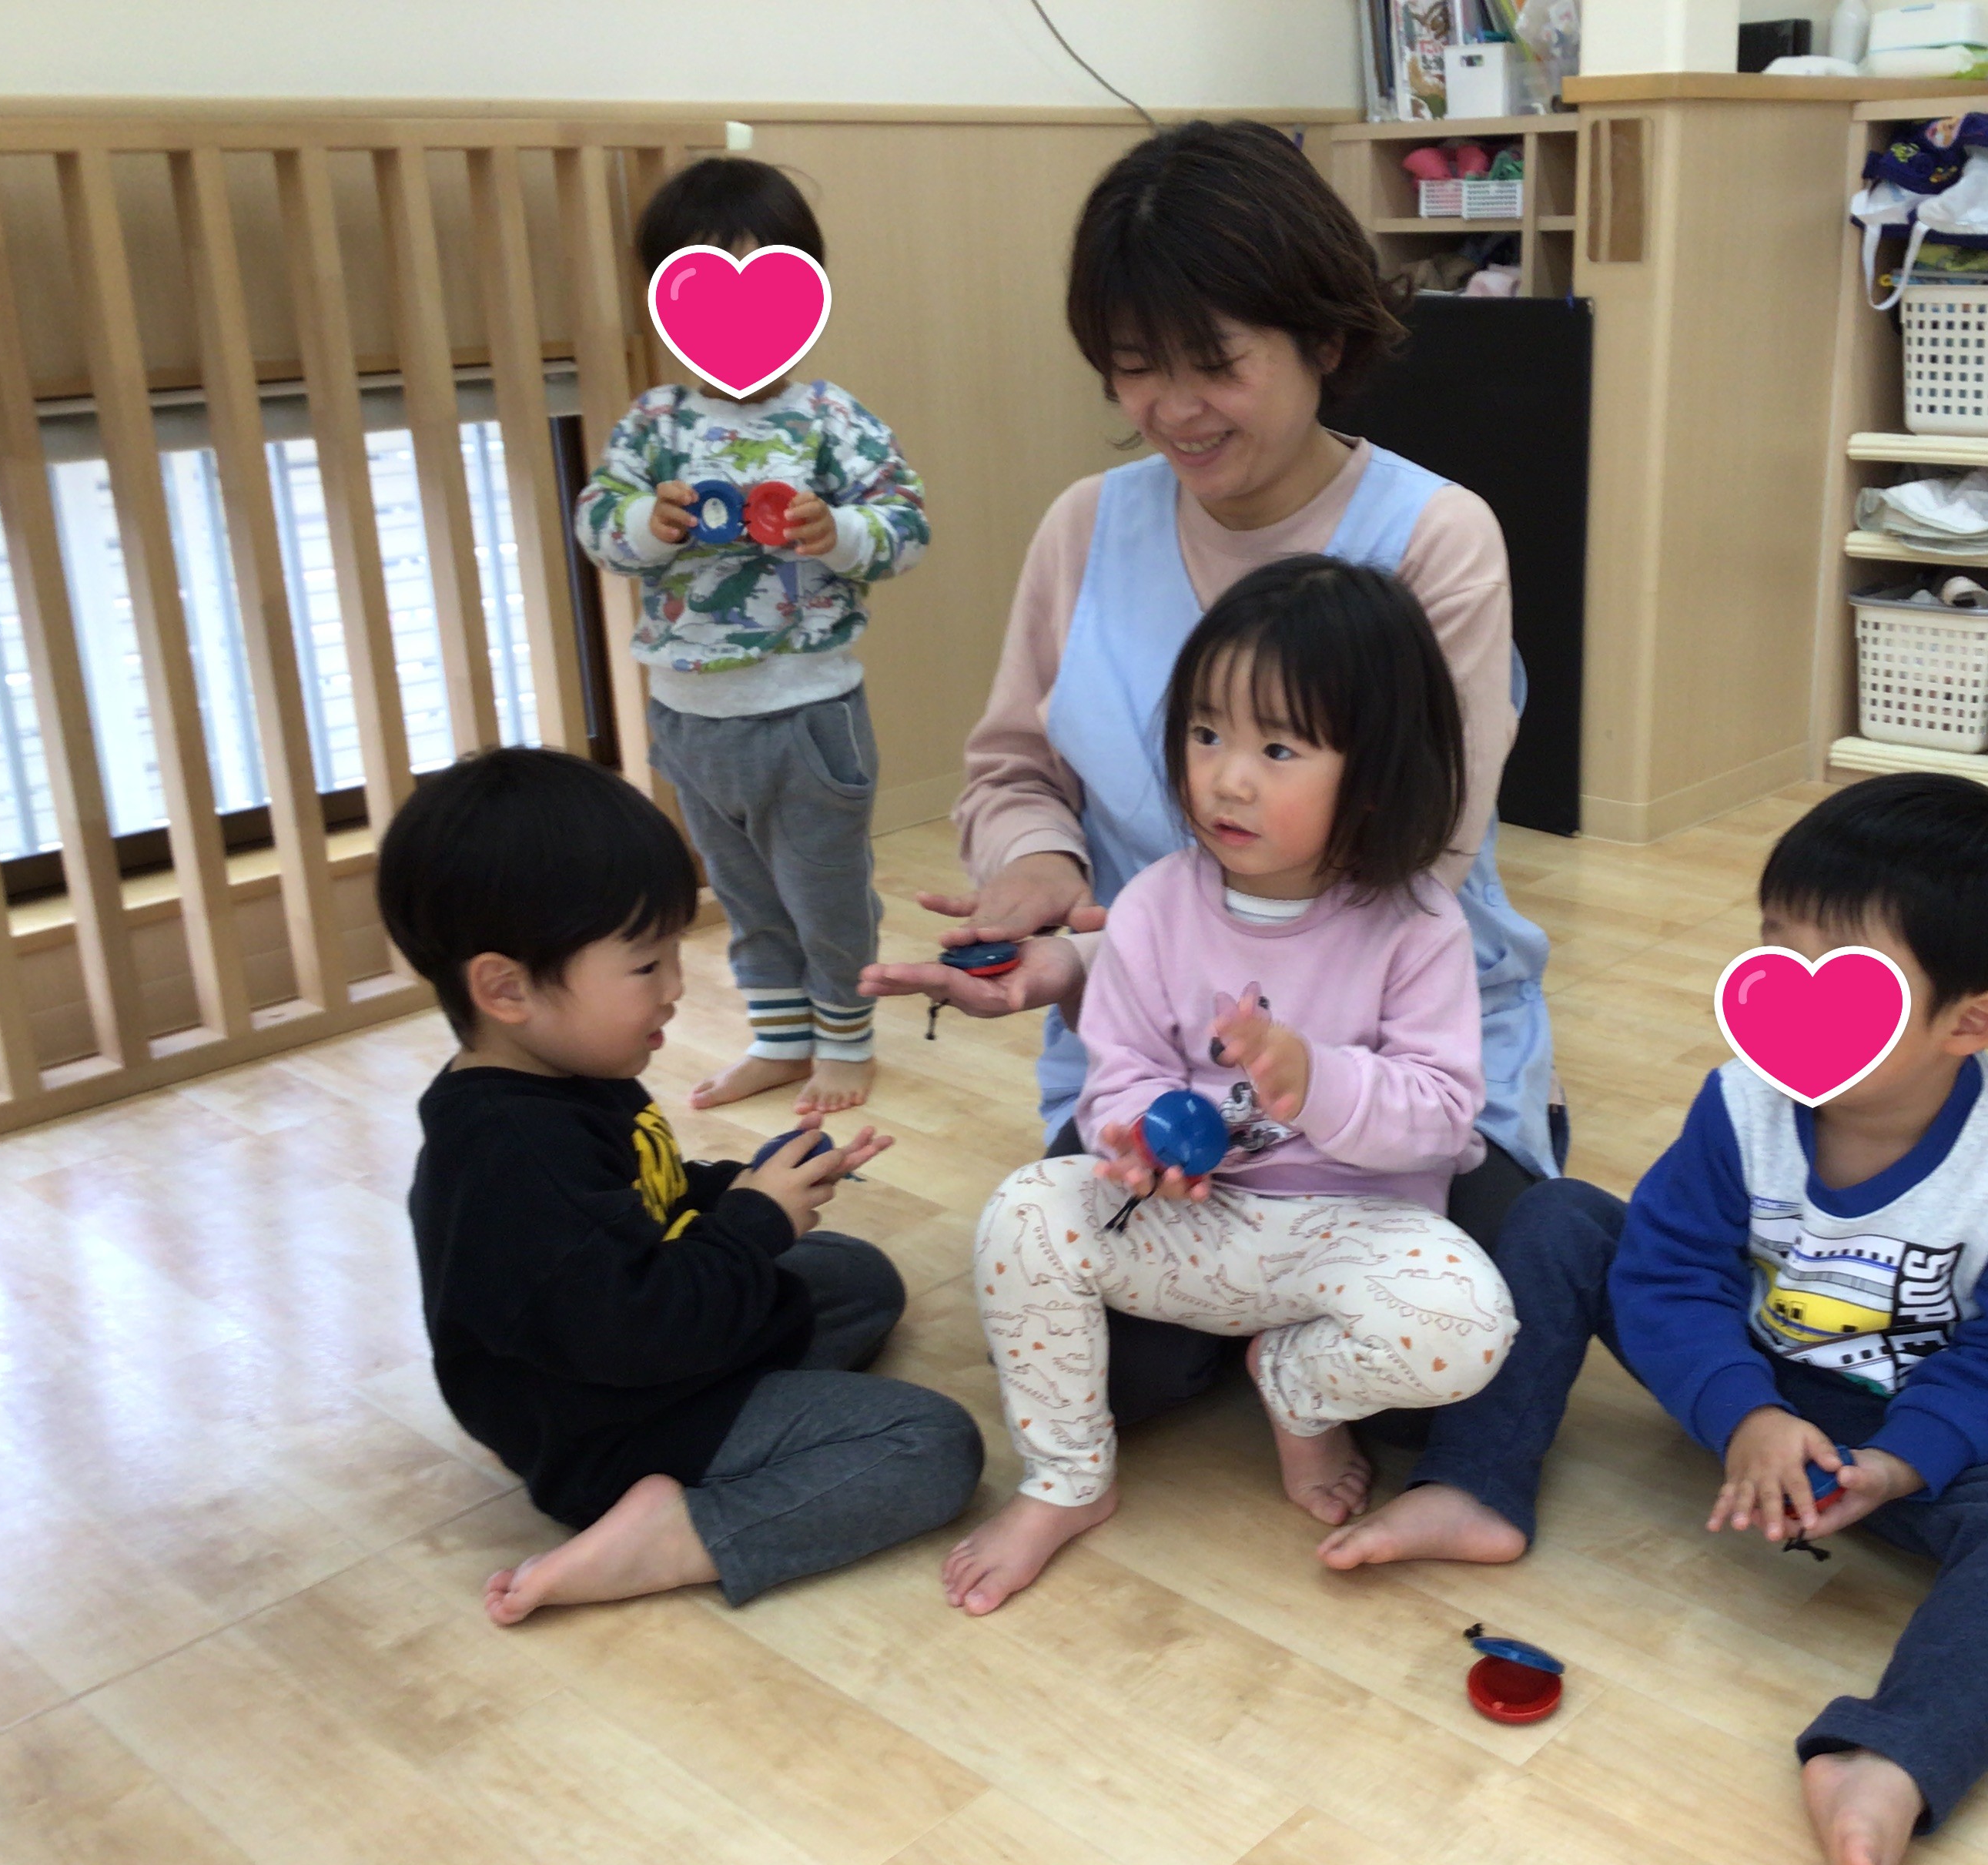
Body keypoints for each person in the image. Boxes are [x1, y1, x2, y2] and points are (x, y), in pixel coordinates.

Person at [862, 119, 1556, 1431]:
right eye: (1135, 368)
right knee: (1113, 1373)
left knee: (1469, 1361)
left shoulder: (1434, 537)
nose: (1172, 410)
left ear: (1324, 340)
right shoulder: (1086, 526)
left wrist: (1101, 955)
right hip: (1158, 1061)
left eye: (1214, 364)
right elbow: (1013, 766)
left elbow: (1413, 852)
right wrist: (1035, 873)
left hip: (1380, 1054)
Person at [1321, 773, 1988, 1865]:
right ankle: (1476, 1481)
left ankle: (1891, 1758)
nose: (1790, 997)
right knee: (1561, 1218)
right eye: (1775, 949)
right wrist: (1742, 1410)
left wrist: (1900, 1463)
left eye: (1842, 976)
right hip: (1732, 1365)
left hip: (1891, 1428)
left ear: (1968, 1022)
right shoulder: (1742, 1103)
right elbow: (1666, 1271)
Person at [939, 557, 1517, 1616]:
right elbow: (1122, 1065)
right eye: (1206, 734)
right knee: (1023, 1212)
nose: (1228, 779)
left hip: (1349, 1230)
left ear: (1376, 774)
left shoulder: (1417, 922)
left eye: (1278, 749)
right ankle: (1066, 1480)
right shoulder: (1155, 905)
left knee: (1468, 1324)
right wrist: (1134, 1140)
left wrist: (1314, 1077)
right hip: (1196, 1224)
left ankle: (1293, 1388)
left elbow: (1441, 1117)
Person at [377, 747, 982, 1626]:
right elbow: (639, 1324)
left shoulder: (565, 1071)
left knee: (855, 1274)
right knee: (929, 1442)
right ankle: (677, 1531)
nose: (675, 986)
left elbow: (645, 1202)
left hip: (632, 1359)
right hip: (611, 1422)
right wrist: (753, 1221)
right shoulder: (508, 1155)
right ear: (506, 988)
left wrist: (745, 1187)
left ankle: (735, 1430)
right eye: (644, 965)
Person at [576, 156, 927, 1117]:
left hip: (807, 711)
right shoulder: (653, 426)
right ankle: (780, 1039)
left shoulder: (830, 420)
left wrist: (837, 530)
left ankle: (844, 1040)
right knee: (744, 895)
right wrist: (649, 522)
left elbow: (906, 525)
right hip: (689, 717)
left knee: (826, 894)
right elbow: (597, 527)